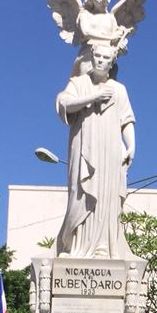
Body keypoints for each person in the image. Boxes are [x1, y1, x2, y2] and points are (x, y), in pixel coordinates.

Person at [54, 42, 135, 260]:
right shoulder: (79, 82)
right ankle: (77, 245)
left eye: (105, 58)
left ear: (112, 63)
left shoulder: (119, 90)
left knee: (107, 195)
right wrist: (93, 97)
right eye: (97, 56)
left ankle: (103, 246)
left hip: (110, 149)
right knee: (81, 194)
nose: (100, 60)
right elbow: (65, 103)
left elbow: (126, 120)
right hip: (85, 147)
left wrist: (131, 146)